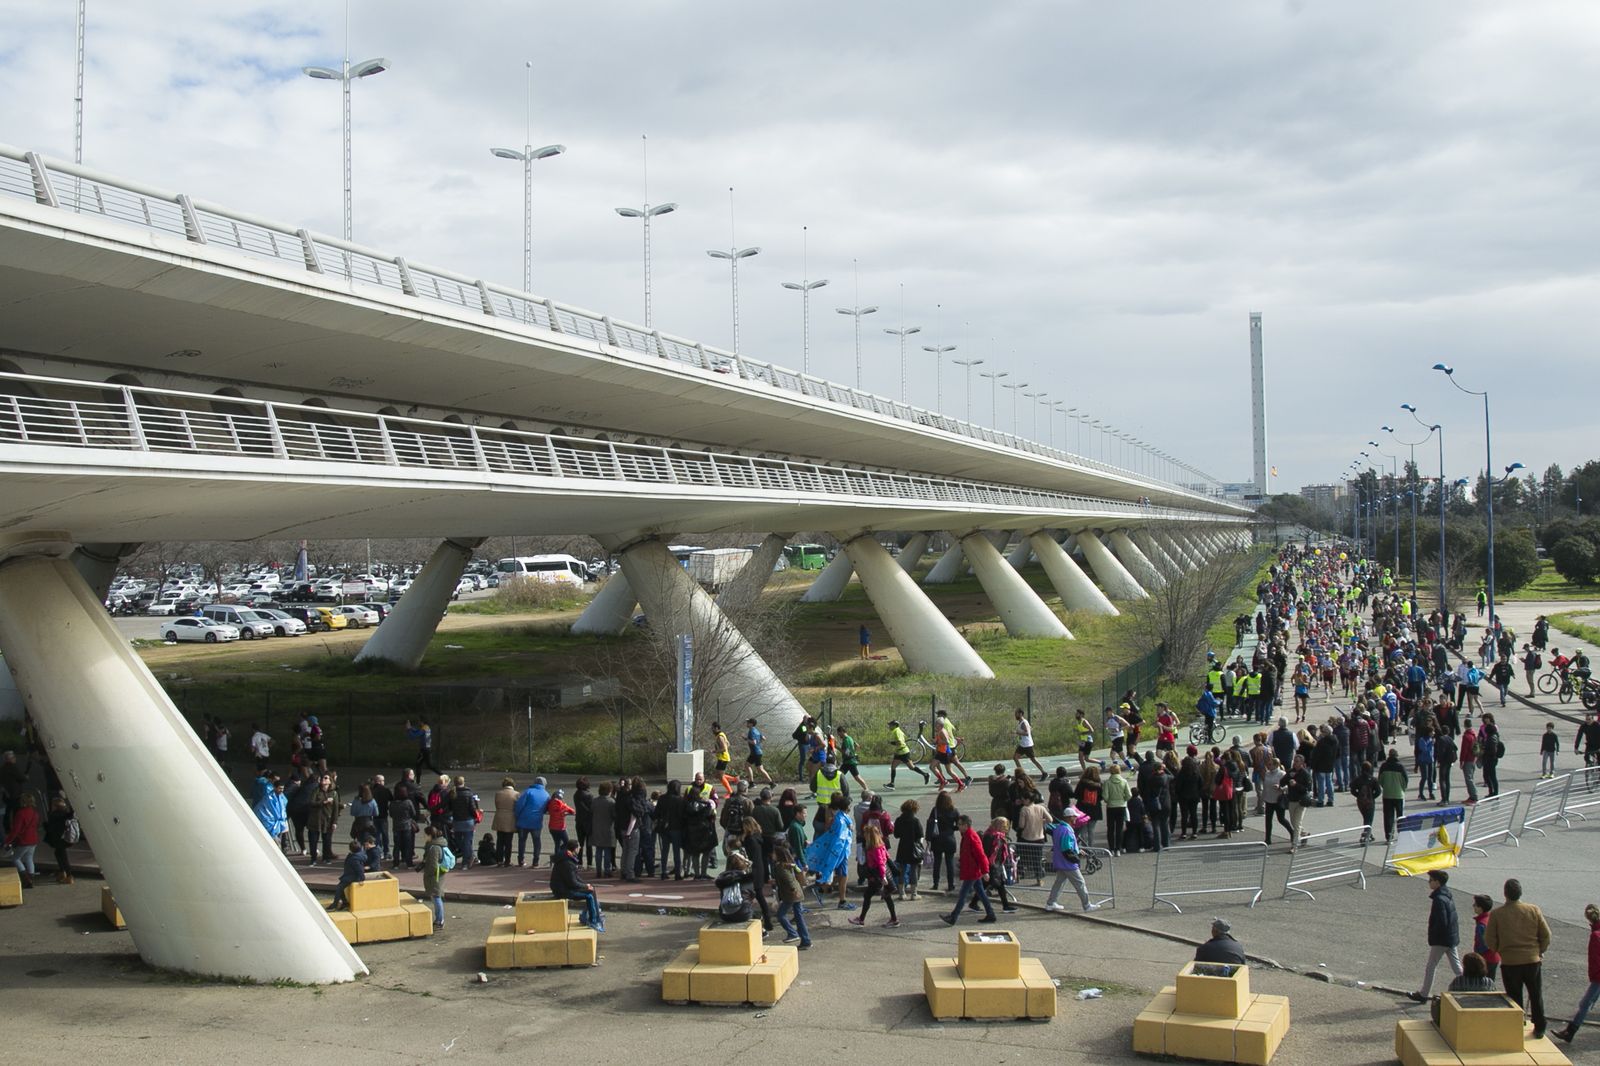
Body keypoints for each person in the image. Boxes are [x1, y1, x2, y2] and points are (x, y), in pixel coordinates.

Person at [1486, 878, 1553, 1040]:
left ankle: (1516, 1024)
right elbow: (1546, 935)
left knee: (1514, 996)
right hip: (1532, 960)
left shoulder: (1497, 914)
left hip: (1510, 962)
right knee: (1535, 995)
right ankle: (1539, 1027)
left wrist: (1500, 950)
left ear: (1505, 894)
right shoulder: (1533, 910)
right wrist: (1540, 950)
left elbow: (1489, 940)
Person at [1409, 870, 1462, 1002]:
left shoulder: (1438, 899)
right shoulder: (1447, 894)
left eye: (1431, 880)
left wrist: (1434, 936)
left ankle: (1424, 994)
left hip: (1442, 939)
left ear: (1437, 882)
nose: (1429, 882)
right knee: (1457, 966)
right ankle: (1471, 988)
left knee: (1431, 965)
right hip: (1451, 937)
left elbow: (1441, 921)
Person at [1552, 903, 1600, 1044]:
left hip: (1598, 977)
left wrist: (1594, 976)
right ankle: (1570, 1031)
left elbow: (1595, 960)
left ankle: (1570, 1032)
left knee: (1585, 1003)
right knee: (1586, 1003)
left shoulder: (1596, 936)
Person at [940, 815, 997, 926]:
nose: (958, 826)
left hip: (972, 871)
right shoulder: (967, 835)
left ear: (966, 825)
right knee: (980, 893)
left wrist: (985, 871)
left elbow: (981, 855)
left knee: (963, 895)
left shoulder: (971, 836)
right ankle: (991, 914)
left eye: (960, 824)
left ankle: (953, 917)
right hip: (971, 870)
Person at [1044, 810, 1099, 913]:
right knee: (1080, 883)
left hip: (1060, 861)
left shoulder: (1059, 828)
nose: (1076, 818)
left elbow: (1065, 845)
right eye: (1074, 816)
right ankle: (1086, 905)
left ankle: (1050, 903)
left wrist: (1077, 849)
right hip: (1068, 863)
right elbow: (1066, 849)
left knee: (1059, 883)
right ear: (1070, 817)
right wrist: (1076, 856)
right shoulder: (1067, 830)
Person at [847, 823, 899, 928]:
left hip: (877, 876)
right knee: (885, 896)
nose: (864, 836)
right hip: (879, 875)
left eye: (866, 834)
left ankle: (862, 919)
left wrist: (883, 876)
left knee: (869, 896)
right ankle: (893, 919)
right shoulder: (881, 845)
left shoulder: (873, 849)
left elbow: (880, 863)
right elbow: (887, 858)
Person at [551, 837, 604, 933]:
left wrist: (586, 884)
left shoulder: (567, 858)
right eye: (579, 847)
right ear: (575, 849)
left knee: (591, 888)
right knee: (589, 895)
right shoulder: (567, 863)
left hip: (562, 886)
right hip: (562, 890)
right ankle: (593, 920)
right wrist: (585, 886)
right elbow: (572, 883)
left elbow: (575, 878)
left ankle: (592, 915)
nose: (580, 848)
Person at [1430, 952, 1497, 1025]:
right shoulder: (1489, 982)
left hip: (1461, 1017)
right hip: (1483, 1017)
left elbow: (1450, 1000)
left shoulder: (1458, 981)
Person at [772, 844, 812, 950]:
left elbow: (789, 881)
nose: (772, 855)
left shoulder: (780, 867)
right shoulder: (787, 865)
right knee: (799, 917)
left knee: (781, 915)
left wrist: (791, 892)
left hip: (792, 895)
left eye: (774, 853)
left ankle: (793, 933)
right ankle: (805, 940)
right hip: (795, 894)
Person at [4, 791, 39, 888]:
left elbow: (16, 830)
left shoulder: (20, 813)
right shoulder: (34, 812)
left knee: (16, 858)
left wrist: (8, 841)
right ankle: (31, 879)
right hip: (34, 839)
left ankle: (26, 879)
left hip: (24, 839)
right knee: (29, 858)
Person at [926, 790, 959, 892]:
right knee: (949, 863)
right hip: (949, 838)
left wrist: (928, 839)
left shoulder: (935, 810)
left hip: (937, 838)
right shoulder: (954, 810)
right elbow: (958, 825)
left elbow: (930, 825)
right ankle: (951, 884)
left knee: (937, 862)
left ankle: (936, 884)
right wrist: (951, 829)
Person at [513, 776, 550, 867]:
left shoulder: (528, 792)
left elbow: (519, 805)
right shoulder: (546, 795)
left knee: (522, 841)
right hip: (536, 821)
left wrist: (517, 816)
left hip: (523, 820)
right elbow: (546, 809)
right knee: (536, 842)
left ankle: (521, 860)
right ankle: (535, 862)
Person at [893, 799, 924, 901]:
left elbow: (896, 835)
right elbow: (920, 835)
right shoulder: (916, 821)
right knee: (913, 870)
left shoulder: (899, 820)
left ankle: (902, 893)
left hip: (902, 846)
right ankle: (914, 893)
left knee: (902, 870)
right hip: (913, 847)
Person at [885, 720, 930, 788]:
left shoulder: (896, 731)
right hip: (899, 752)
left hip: (903, 753)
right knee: (893, 767)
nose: (889, 726)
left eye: (890, 725)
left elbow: (900, 742)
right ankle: (892, 784)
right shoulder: (898, 731)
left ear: (894, 725)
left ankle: (925, 775)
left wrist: (891, 743)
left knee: (911, 767)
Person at [43, 794, 77, 883]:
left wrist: (45, 825)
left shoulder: (54, 815)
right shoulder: (65, 814)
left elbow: (51, 827)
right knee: (58, 853)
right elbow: (70, 814)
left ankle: (68, 875)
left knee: (62, 855)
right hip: (64, 837)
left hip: (58, 838)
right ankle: (63, 872)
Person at [1379, 749, 1408, 843]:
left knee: (1388, 817)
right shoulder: (1401, 767)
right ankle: (1401, 834)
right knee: (1400, 816)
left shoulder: (1384, 766)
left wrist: (1386, 787)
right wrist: (1402, 789)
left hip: (1387, 794)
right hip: (1399, 794)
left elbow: (1380, 780)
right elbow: (1405, 781)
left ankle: (1389, 837)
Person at [1471, 893, 1501, 981]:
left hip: (1485, 959)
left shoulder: (1481, 924)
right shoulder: (1491, 918)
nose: (1473, 906)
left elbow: (1484, 944)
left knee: (1480, 984)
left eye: (1475, 905)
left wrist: (1476, 956)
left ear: (1481, 908)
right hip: (1494, 957)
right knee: (1490, 983)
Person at [589, 782, 617, 876]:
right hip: (608, 828)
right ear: (609, 790)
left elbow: (592, 811)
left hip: (596, 828)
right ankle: (607, 870)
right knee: (607, 851)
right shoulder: (611, 802)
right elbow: (614, 815)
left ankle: (598, 870)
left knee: (598, 850)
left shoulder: (595, 801)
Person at [331, 838, 367, 910]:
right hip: (350, 875)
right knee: (340, 888)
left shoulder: (354, 859)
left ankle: (335, 904)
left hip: (351, 876)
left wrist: (362, 878)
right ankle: (344, 903)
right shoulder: (359, 855)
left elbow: (359, 869)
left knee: (339, 888)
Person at [1013, 708, 1046, 776]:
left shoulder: (1023, 722)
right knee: (1015, 757)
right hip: (1023, 744)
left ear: (1020, 714)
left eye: (1016, 713)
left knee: (1033, 760)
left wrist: (1017, 733)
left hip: (1027, 745)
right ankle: (1022, 774)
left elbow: (1027, 733)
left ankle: (1044, 773)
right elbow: (1030, 729)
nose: (1015, 715)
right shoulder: (1022, 722)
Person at [743, 718, 773, 786]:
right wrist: (758, 744)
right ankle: (771, 783)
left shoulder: (751, 731)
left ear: (751, 724)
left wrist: (746, 739)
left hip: (755, 752)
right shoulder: (756, 730)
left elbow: (754, 742)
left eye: (748, 722)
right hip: (757, 752)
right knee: (757, 768)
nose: (747, 724)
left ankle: (752, 783)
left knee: (749, 766)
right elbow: (763, 738)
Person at [546, 788, 574, 856]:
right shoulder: (562, 805)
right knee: (567, 842)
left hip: (552, 827)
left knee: (557, 843)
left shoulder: (549, 804)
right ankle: (563, 855)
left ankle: (557, 857)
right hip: (560, 828)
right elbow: (573, 811)